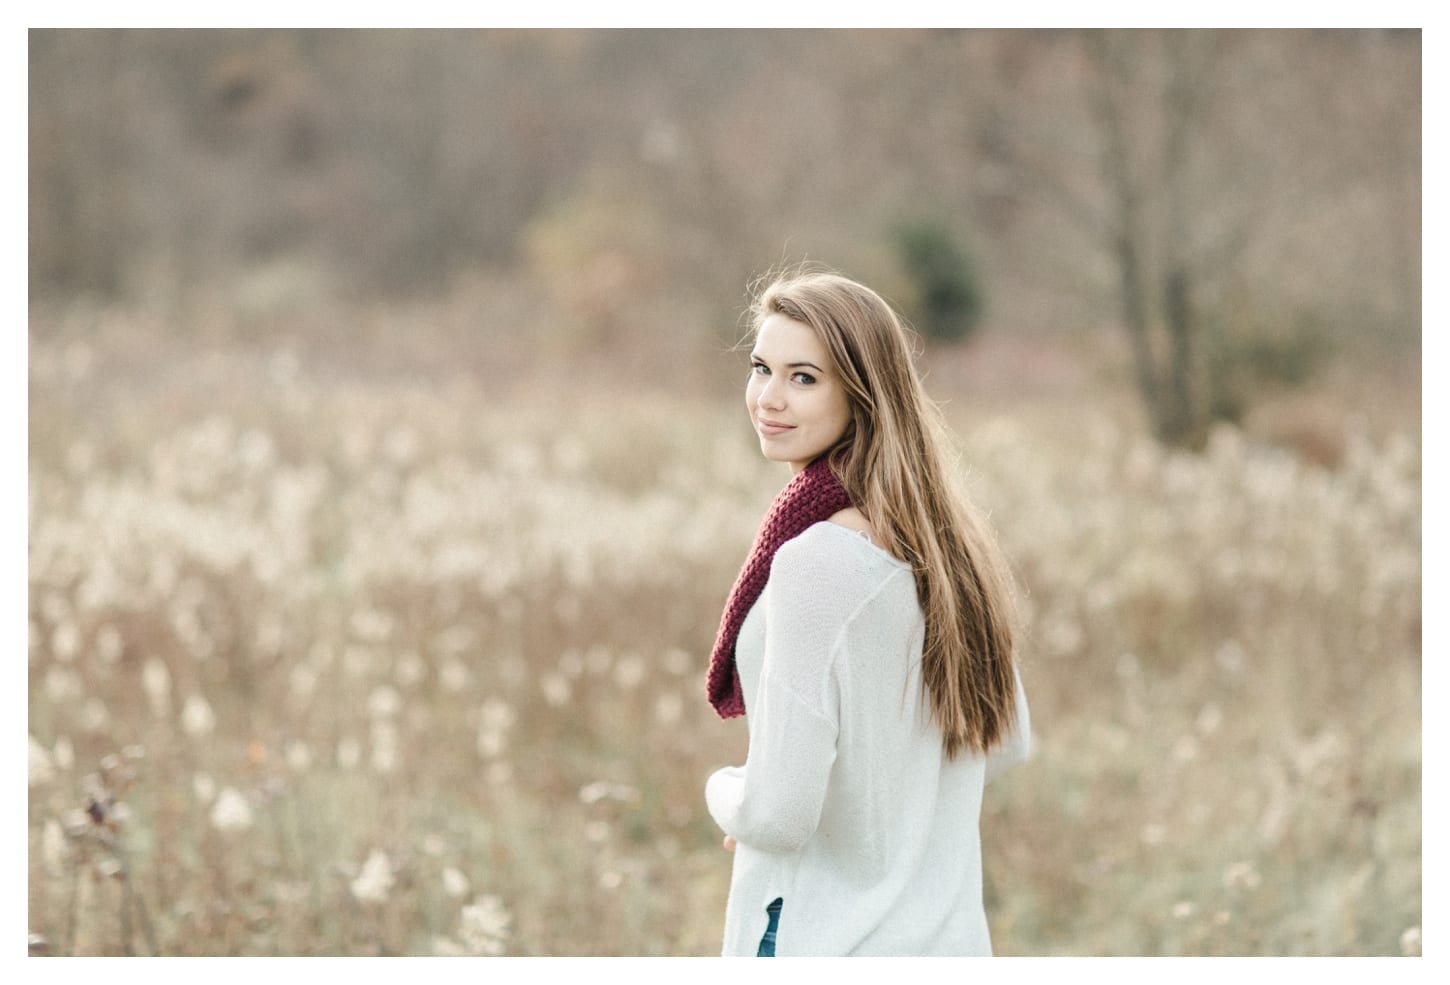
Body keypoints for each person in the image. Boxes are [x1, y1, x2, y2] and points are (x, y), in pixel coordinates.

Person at [703, 267, 1031, 957]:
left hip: (823, 937)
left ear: (863, 392)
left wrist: (729, 792)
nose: (768, 397)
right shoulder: (946, 545)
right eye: (762, 367)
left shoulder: (814, 563)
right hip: (948, 941)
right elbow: (1005, 741)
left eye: (803, 377)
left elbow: (779, 813)